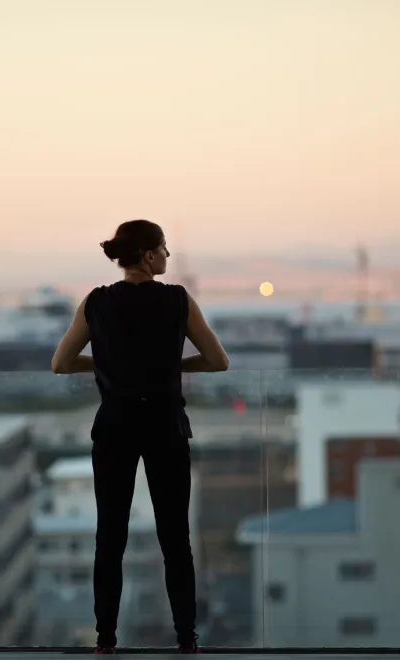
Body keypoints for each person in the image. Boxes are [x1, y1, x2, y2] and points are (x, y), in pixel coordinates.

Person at [51, 219, 230, 653]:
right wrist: (173, 369)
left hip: (114, 427)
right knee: (175, 540)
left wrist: (106, 368)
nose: (168, 256)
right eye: (164, 249)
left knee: (109, 538)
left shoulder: (96, 303)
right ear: (149, 257)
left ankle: (105, 641)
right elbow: (217, 361)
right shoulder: (177, 300)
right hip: (164, 426)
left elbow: (60, 363)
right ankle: (187, 640)